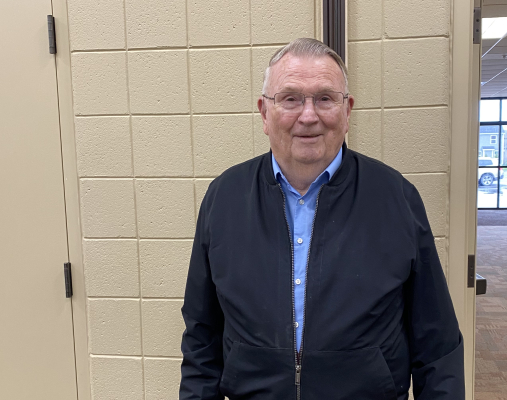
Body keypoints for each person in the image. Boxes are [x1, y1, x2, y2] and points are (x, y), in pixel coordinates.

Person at [180, 37, 464, 400]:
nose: (309, 115)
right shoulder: (224, 198)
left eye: (325, 98)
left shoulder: (396, 197)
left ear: (347, 111)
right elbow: (201, 336)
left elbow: (437, 345)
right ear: (265, 113)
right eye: (290, 99)